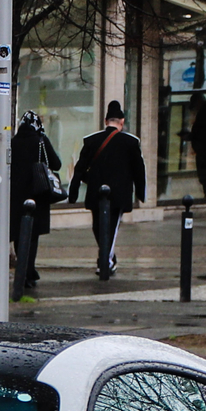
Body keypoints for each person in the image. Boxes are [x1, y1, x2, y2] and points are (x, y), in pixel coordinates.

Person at [70, 100, 146, 280]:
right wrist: (141, 193)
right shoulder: (131, 142)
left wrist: (73, 192)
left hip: (96, 192)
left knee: (98, 227)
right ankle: (107, 259)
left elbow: (80, 168)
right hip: (120, 194)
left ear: (105, 121)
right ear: (122, 121)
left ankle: (105, 261)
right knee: (111, 227)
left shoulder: (91, 141)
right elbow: (139, 170)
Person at [0, 113, 61, 297]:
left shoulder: (12, 143)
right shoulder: (40, 141)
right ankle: (28, 272)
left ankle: (24, 270)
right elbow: (57, 164)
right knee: (33, 236)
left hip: (15, 197)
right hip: (38, 194)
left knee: (20, 235)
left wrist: (5, 178)